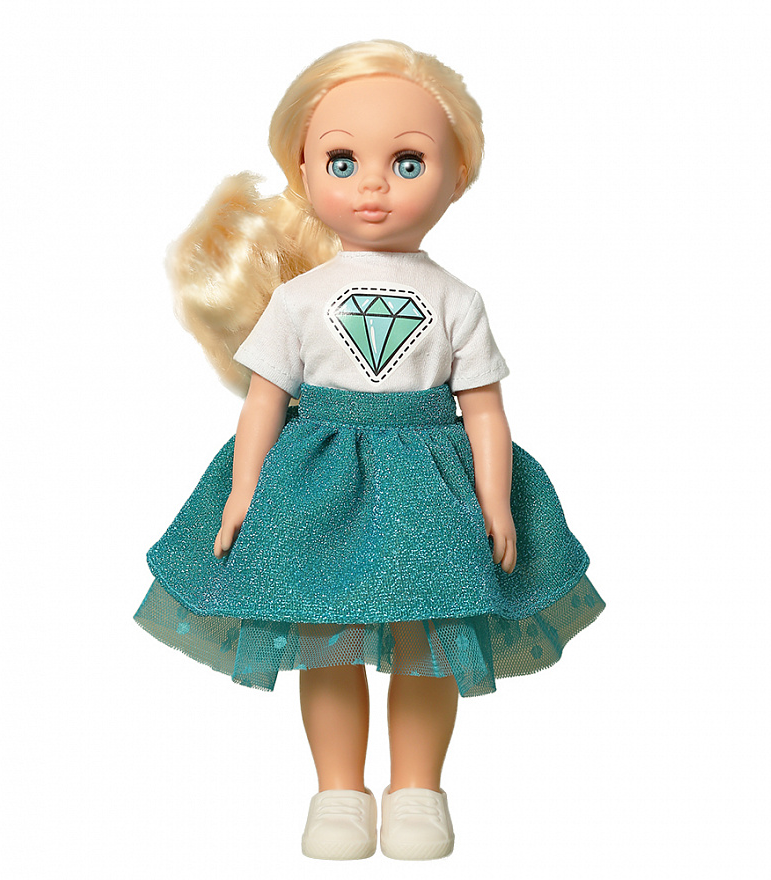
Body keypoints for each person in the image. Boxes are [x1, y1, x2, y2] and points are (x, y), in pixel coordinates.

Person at [134, 39, 605, 861]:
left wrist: (495, 500)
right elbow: (264, 402)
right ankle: (338, 793)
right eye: (343, 161)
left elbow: (485, 410)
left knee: (428, 640)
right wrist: (243, 491)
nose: (374, 185)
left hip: (429, 481)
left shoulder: (457, 299)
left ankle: (417, 791)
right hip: (318, 482)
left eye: (408, 162)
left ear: (458, 174)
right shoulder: (297, 299)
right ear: (305, 170)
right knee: (328, 637)